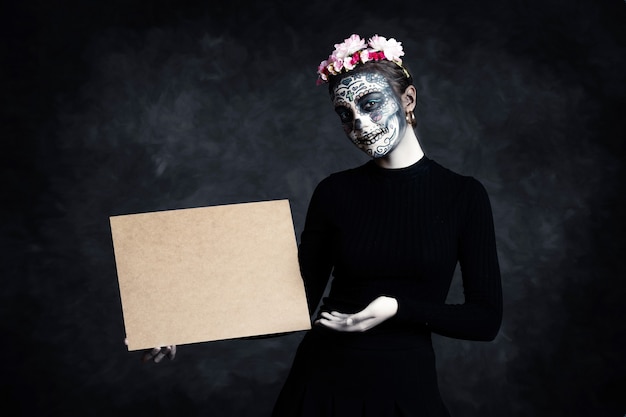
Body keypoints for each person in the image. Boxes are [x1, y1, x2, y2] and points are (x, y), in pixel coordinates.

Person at [270, 34, 503, 417]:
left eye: (370, 104)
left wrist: (398, 308)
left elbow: (485, 320)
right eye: (345, 114)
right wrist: (178, 327)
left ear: (407, 100)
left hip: (404, 389)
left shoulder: (463, 195)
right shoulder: (334, 192)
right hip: (319, 385)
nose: (358, 123)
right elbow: (288, 309)